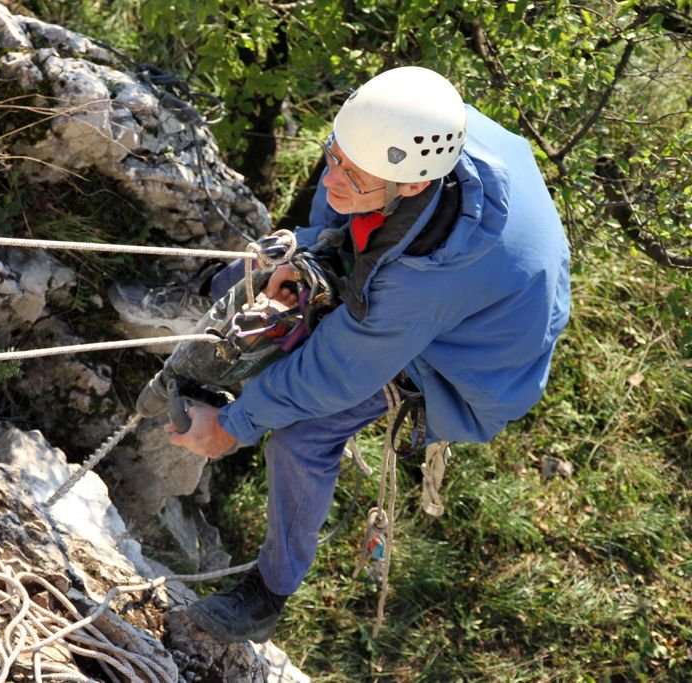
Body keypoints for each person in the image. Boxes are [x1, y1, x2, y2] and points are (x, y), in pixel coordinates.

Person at [164, 66, 572, 643]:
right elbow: (342, 207)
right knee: (282, 258)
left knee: (306, 431)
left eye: (351, 175)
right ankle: (207, 295)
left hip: (466, 361)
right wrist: (313, 248)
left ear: (408, 185)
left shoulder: (427, 279)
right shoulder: (403, 125)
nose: (331, 178)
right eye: (332, 155)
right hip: (463, 285)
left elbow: (337, 369)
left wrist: (233, 426)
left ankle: (267, 595)